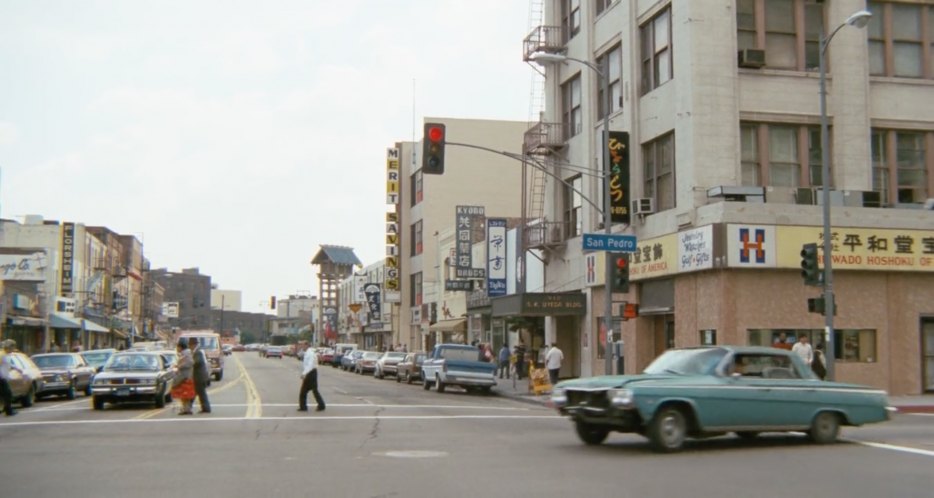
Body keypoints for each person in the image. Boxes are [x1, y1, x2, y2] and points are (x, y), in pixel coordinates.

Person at [298, 340, 325, 412]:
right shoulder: (307, 352)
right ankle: (320, 405)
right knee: (311, 390)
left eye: (303, 345)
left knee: (307, 391)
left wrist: (304, 374)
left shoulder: (311, 353)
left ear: (307, 345)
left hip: (311, 373)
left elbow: (310, 365)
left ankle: (320, 405)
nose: (302, 346)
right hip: (310, 373)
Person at [171, 340, 195, 415]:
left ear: (180, 347)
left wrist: (180, 366)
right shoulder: (184, 354)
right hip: (184, 375)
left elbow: (190, 363)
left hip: (185, 376)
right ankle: (186, 409)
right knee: (184, 395)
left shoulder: (186, 354)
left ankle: (187, 409)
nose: (177, 348)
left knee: (185, 394)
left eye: (177, 347)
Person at [188, 337, 211, 413]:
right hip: (199, 377)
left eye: (190, 345)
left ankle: (206, 408)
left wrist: (191, 362)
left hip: (199, 377)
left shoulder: (198, 352)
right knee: (197, 393)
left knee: (201, 393)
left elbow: (198, 362)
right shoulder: (196, 352)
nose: (189, 347)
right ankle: (189, 407)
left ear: (193, 345)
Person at [1, 340, 23, 416]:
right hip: (1, 378)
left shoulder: (7, 355)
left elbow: (9, 365)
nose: (13, 349)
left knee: (6, 394)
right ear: (8, 347)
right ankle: (8, 411)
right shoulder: (2, 354)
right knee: (7, 394)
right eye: (12, 347)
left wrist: (17, 369)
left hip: (4, 378)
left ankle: (7, 410)